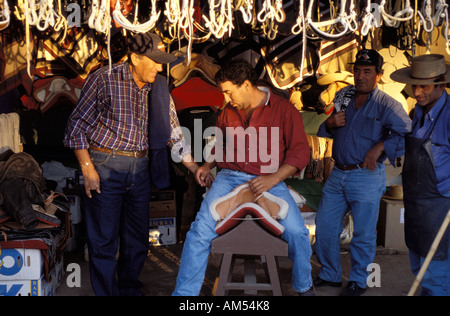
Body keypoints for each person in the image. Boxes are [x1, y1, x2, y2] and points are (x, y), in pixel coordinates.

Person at [64, 32, 200, 296]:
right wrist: (87, 168)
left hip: (140, 169)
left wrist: (193, 167)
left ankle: (129, 290)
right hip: (104, 164)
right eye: (155, 61)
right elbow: (75, 127)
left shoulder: (158, 85)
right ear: (135, 57)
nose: (160, 67)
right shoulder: (104, 78)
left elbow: (173, 131)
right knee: (103, 241)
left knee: (137, 240)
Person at [172, 58, 314, 296]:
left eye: (229, 92)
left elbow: (299, 152)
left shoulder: (283, 109)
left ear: (246, 85)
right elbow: (220, 144)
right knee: (199, 231)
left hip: (269, 178)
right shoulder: (228, 111)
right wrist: (207, 166)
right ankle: (184, 296)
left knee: (297, 232)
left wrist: (273, 179)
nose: (226, 99)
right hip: (229, 177)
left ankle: (304, 287)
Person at [314, 49, 412, 296]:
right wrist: (329, 124)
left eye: (367, 72)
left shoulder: (388, 105)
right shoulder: (343, 96)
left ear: (378, 75)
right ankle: (330, 275)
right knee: (325, 225)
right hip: (338, 173)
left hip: (366, 175)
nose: (360, 76)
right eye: (357, 71)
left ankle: (359, 280)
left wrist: (381, 146)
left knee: (363, 234)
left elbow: (408, 136)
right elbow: (325, 130)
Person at [390, 54, 450, 296]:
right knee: (419, 262)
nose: (417, 92)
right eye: (414, 85)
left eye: (424, 86)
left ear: (441, 85)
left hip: (440, 205)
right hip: (416, 203)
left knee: (437, 273)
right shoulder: (417, 113)